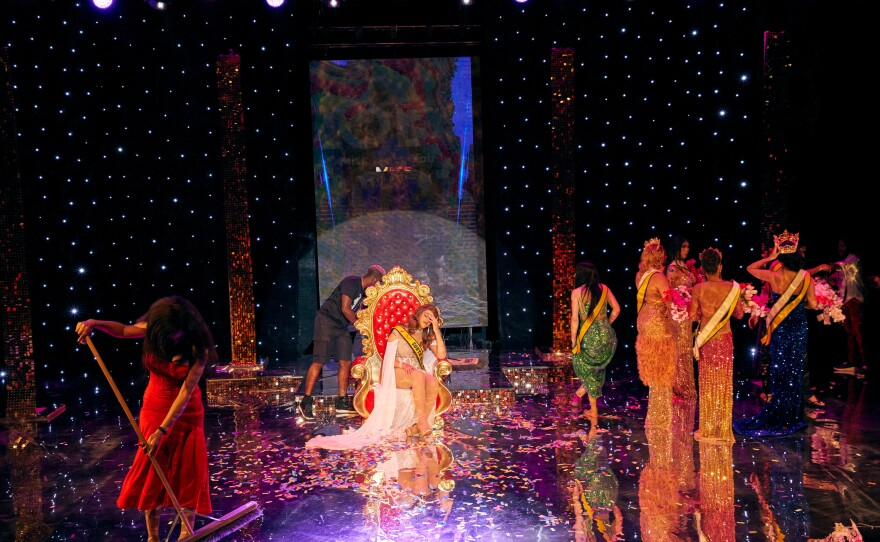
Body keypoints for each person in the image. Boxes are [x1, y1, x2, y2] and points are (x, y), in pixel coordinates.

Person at [75, 296, 217, 542]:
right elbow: (122, 330)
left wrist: (162, 431)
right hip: (154, 408)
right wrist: (94, 323)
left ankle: (187, 534)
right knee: (154, 468)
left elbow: (186, 391)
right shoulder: (154, 330)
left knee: (188, 470)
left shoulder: (197, 347)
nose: (170, 339)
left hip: (186, 411)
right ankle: (152, 537)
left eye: (175, 334)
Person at [306, 303, 446, 450]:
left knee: (432, 381)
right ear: (419, 314)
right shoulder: (400, 331)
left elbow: (441, 355)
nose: (428, 319)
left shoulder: (426, 336)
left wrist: (436, 329)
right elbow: (388, 359)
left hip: (415, 372)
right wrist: (403, 365)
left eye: (432, 318)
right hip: (396, 370)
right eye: (427, 315)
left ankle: (417, 427)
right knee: (418, 376)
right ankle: (423, 421)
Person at [733, 231, 818, 437]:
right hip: (798, 327)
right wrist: (801, 302)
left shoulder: (773, 275)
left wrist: (770, 258)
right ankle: (793, 416)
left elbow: (749, 268)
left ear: (781, 256)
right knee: (795, 370)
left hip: (780, 328)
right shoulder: (805, 277)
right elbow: (814, 305)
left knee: (779, 369)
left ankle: (778, 412)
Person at [299, 264, 386, 420]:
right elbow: (346, 308)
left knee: (345, 362)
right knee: (319, 361)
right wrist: (360, 326)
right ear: (373, 279)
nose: (377, 286)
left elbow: (361, 311)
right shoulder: (351, 282)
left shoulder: (365, 292)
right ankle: (306, 400)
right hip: (326, 321)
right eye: (378, 282)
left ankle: (341, 401)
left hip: (341, 326)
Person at [688, 247, 744, 443]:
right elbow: (739, 314)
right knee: (723, 382)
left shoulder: (698, 289)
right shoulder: (732, 288)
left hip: (707, 340)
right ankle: (722, 427)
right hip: (725, 338)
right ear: (720, 267)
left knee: (707, 382)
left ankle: (708, 427)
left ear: (702, 269)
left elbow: (693, 316)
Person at [634, 237, 676, 428]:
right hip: (658, 323)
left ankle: (654, 413)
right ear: (660, 256)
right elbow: (670, 303)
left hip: (644, 321)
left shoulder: (639, 276)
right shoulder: (659, 277)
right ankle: (661, 416)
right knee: (663, 369)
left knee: (654, 370)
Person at [570, 261, 620, 419]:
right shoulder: (604, 288)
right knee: (598, 370)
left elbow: (574, 320)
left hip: (588, 336)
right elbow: (617, 309)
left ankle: (593, 410)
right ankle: (579, 395)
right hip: (606, 336)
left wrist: (573, 342)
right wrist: (606, 325)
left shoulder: (577, 292)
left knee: (587, 370)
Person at [665, 234, 702, 400]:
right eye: (683, 247)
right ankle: (677, 386)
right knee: (678, 349)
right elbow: (667, 292)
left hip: (686, 315)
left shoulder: (685, 267)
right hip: (677, 315)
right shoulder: (673, 268)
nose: (687, 250)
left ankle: (685, 385)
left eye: (688, 246)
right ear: (676, 248)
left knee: (686, 349)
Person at [827, 238, 867, 375]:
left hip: (855, 299)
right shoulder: (843, 262)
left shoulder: (853, 258)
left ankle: (864, 363)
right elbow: (839, 278)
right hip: (844, 300)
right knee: (849, 332)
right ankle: (852, 362)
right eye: (839, 246)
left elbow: (843, 266)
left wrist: (829, 267)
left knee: (858, 332)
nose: (840, 248)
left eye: (843, 245)